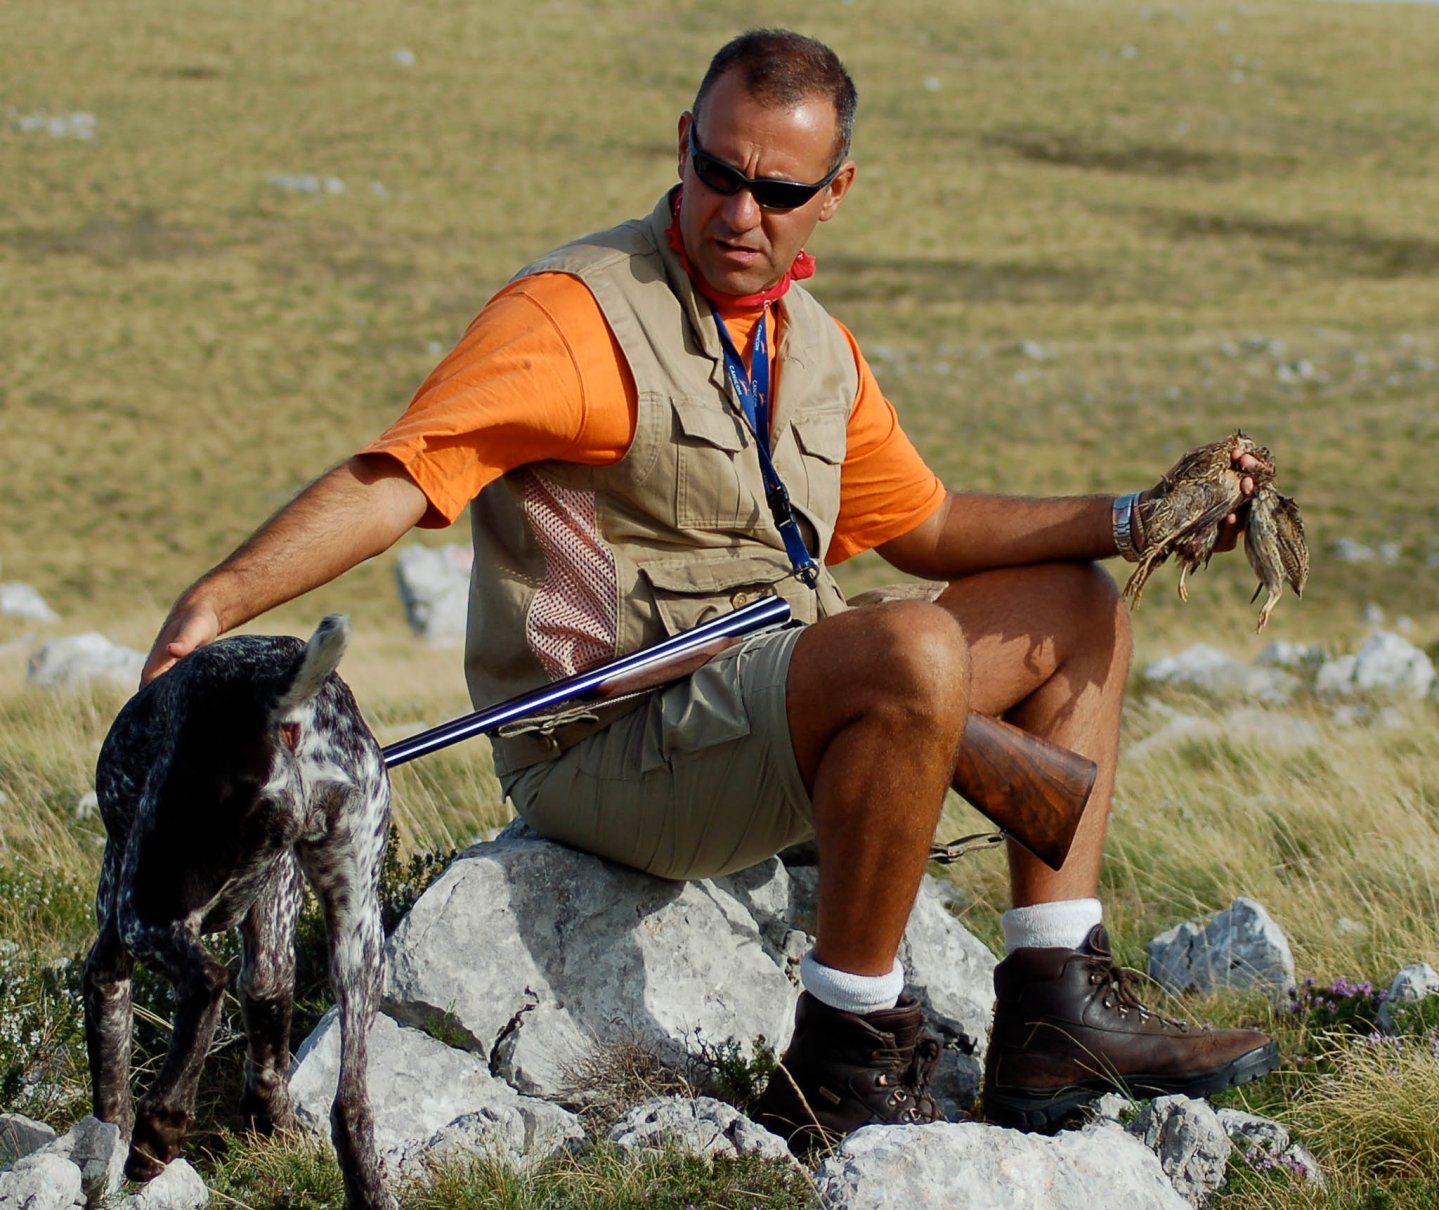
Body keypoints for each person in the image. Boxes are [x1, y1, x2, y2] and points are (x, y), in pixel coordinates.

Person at [143, 29, 1277, 1148]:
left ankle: (1051, 1005)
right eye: (717, 173)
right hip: (611, 747)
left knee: (1076, 605)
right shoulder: (573, 315)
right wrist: (212, 607)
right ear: (683, 142)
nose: (738, 214)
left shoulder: (815, 347)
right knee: (907, 651)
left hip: (770, 712)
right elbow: (398, 478)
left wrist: (1138, 515)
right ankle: (843, 1056)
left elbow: (925, 525)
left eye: (775, 189)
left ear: (833, 193)